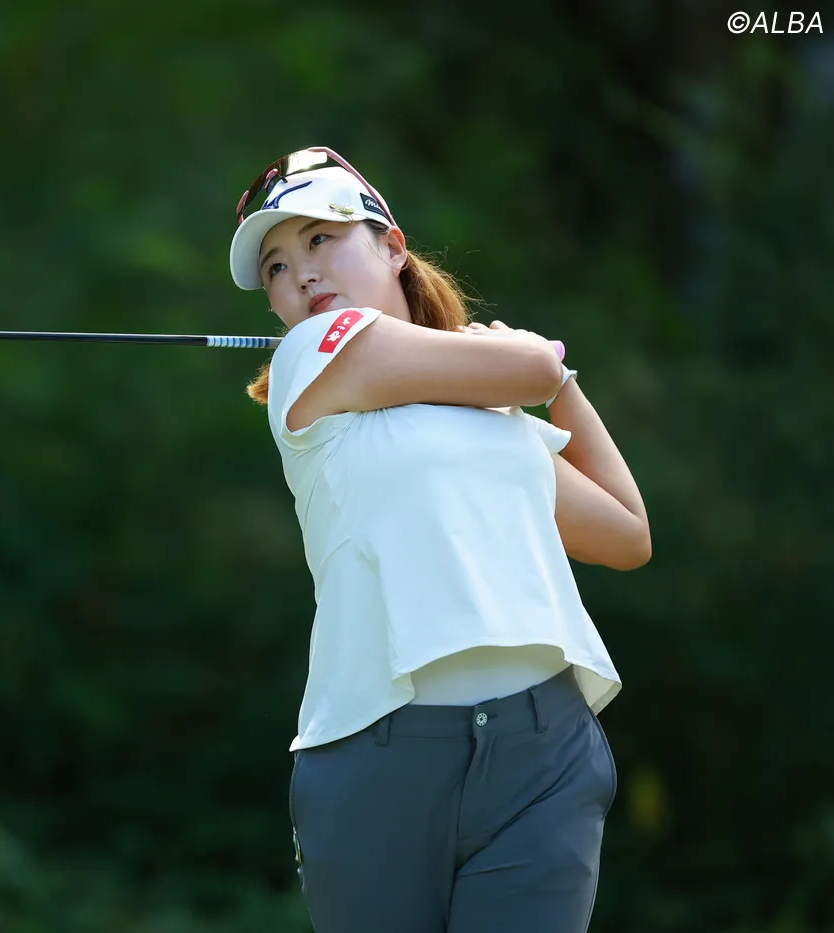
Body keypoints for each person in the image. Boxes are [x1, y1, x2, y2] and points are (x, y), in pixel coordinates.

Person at [227, 147, 650, 933]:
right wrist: (535, 364)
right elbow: (530, 364)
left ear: (393, 246)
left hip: (543, 753)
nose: (301, 275)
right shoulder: (306, 359)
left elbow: (626, 532)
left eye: (321, 239)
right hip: (376, 757)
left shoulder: (491, 414)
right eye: (277, 267)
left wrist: (564, 386)